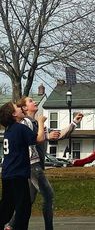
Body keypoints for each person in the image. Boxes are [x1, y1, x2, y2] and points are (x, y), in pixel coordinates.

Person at [7, 96, 83, 230]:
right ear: (24, 108)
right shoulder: (24, 123)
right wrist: (46, 135)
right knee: (49, 195)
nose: (35, 102)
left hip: (33, 166)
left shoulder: (38, 123)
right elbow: (33, 139)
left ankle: (10, 225)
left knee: (27, 201)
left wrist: (74, 123)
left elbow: (57, 135)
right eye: (31, 101)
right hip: (32, 165)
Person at [0, 101, 46, 230]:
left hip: (7, 173)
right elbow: (39, 139)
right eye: (17, 107)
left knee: (7, 206)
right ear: (14, 114)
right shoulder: (20, 127)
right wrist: (41, 122)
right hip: (17, 174)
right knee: (23, 208)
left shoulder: (9, 130)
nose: (21, 109)